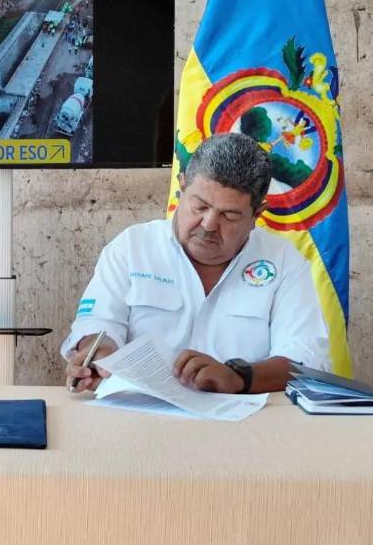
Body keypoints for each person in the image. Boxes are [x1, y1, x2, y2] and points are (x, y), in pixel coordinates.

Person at [63, 132, 330, 394]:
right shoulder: (132, 248)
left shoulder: (284, 262)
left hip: (244, 428)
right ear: (182, 186)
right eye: (199, 207)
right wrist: (99, 355)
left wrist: (238, 377)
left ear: (257, 214)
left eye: (229, 215)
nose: (209, 225)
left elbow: (303, 362)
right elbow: (98, 324)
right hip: (142, 419)